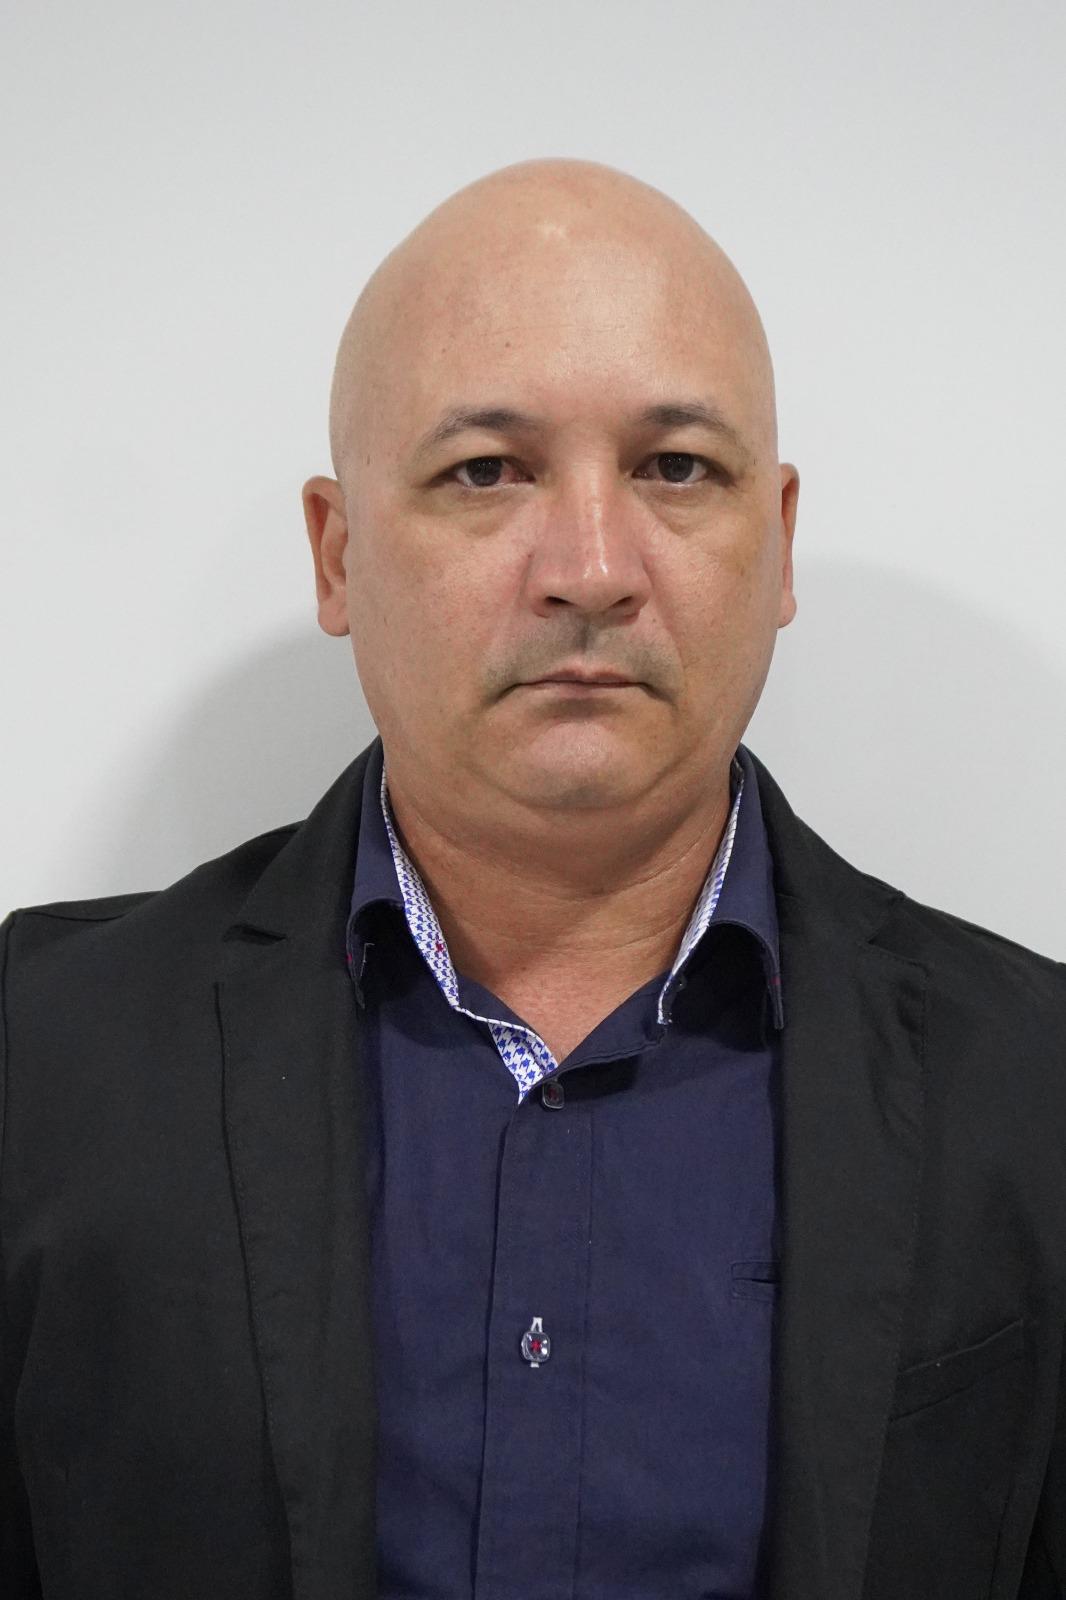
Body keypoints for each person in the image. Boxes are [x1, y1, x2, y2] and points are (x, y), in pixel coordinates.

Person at [1, 157, 1063, 1600]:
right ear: (337, 555)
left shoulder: (1035, 1088)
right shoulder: (42, 1060)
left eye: (674, 467)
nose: (590, 568)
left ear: (778, 545)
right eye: (485, 471)